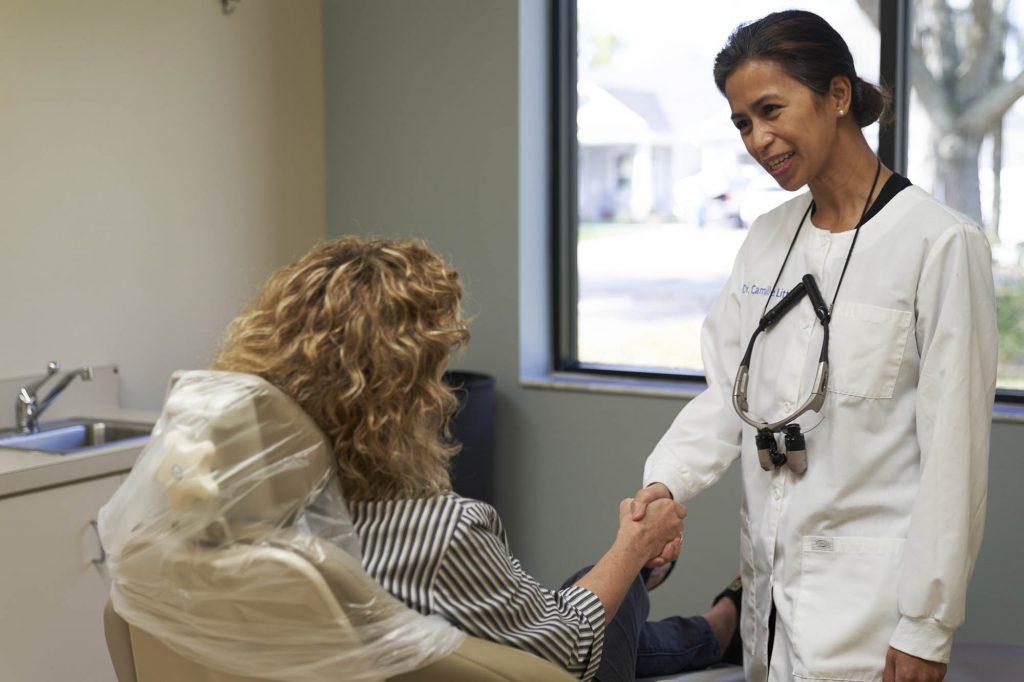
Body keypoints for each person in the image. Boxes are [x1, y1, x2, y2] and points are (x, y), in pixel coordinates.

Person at [630, 10, 997, 682]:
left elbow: (956, 454)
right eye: (742, 122)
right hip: (769, 599)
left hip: (873, 613)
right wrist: (665, 484)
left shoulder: (939, 243)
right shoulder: (767, 238)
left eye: (771, 110)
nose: (758, 138)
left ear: (836, 96)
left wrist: (926, 625)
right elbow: (727, 397)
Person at [209, 237, 739, 681]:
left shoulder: (236, 507)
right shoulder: (440, 534)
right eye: (436, 373)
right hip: (561, 659)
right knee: (600, 588)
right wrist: (634, 547)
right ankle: (713, 620)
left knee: (590, 582)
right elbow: (569, 648)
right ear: (402, 392)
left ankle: (711, 627)